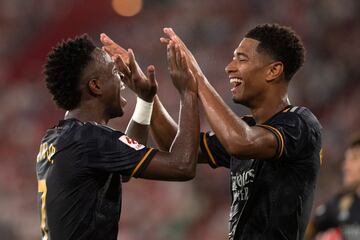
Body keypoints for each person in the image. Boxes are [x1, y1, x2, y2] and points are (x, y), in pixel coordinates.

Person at [138, 23, 320, 240]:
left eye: (241, 59)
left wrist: (198, 78)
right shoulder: (247, 128)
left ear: (273, 70)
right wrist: (147, 98)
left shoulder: (300, 123)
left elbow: (240, 143)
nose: (229, 67)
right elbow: (177, 147)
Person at [36, 34, 199, 240]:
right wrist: (188, 92)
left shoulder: (55, 138)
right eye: (114, 71)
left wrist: (145, 101)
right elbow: (182, 165)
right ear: (95, 86)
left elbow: (124, 170)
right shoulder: (88, 139)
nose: (122, 78)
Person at [306, 135, 360, 240]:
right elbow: (309, 230)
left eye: (354, 158)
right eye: (346, 159)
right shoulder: (340, 203)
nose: (345, 166)